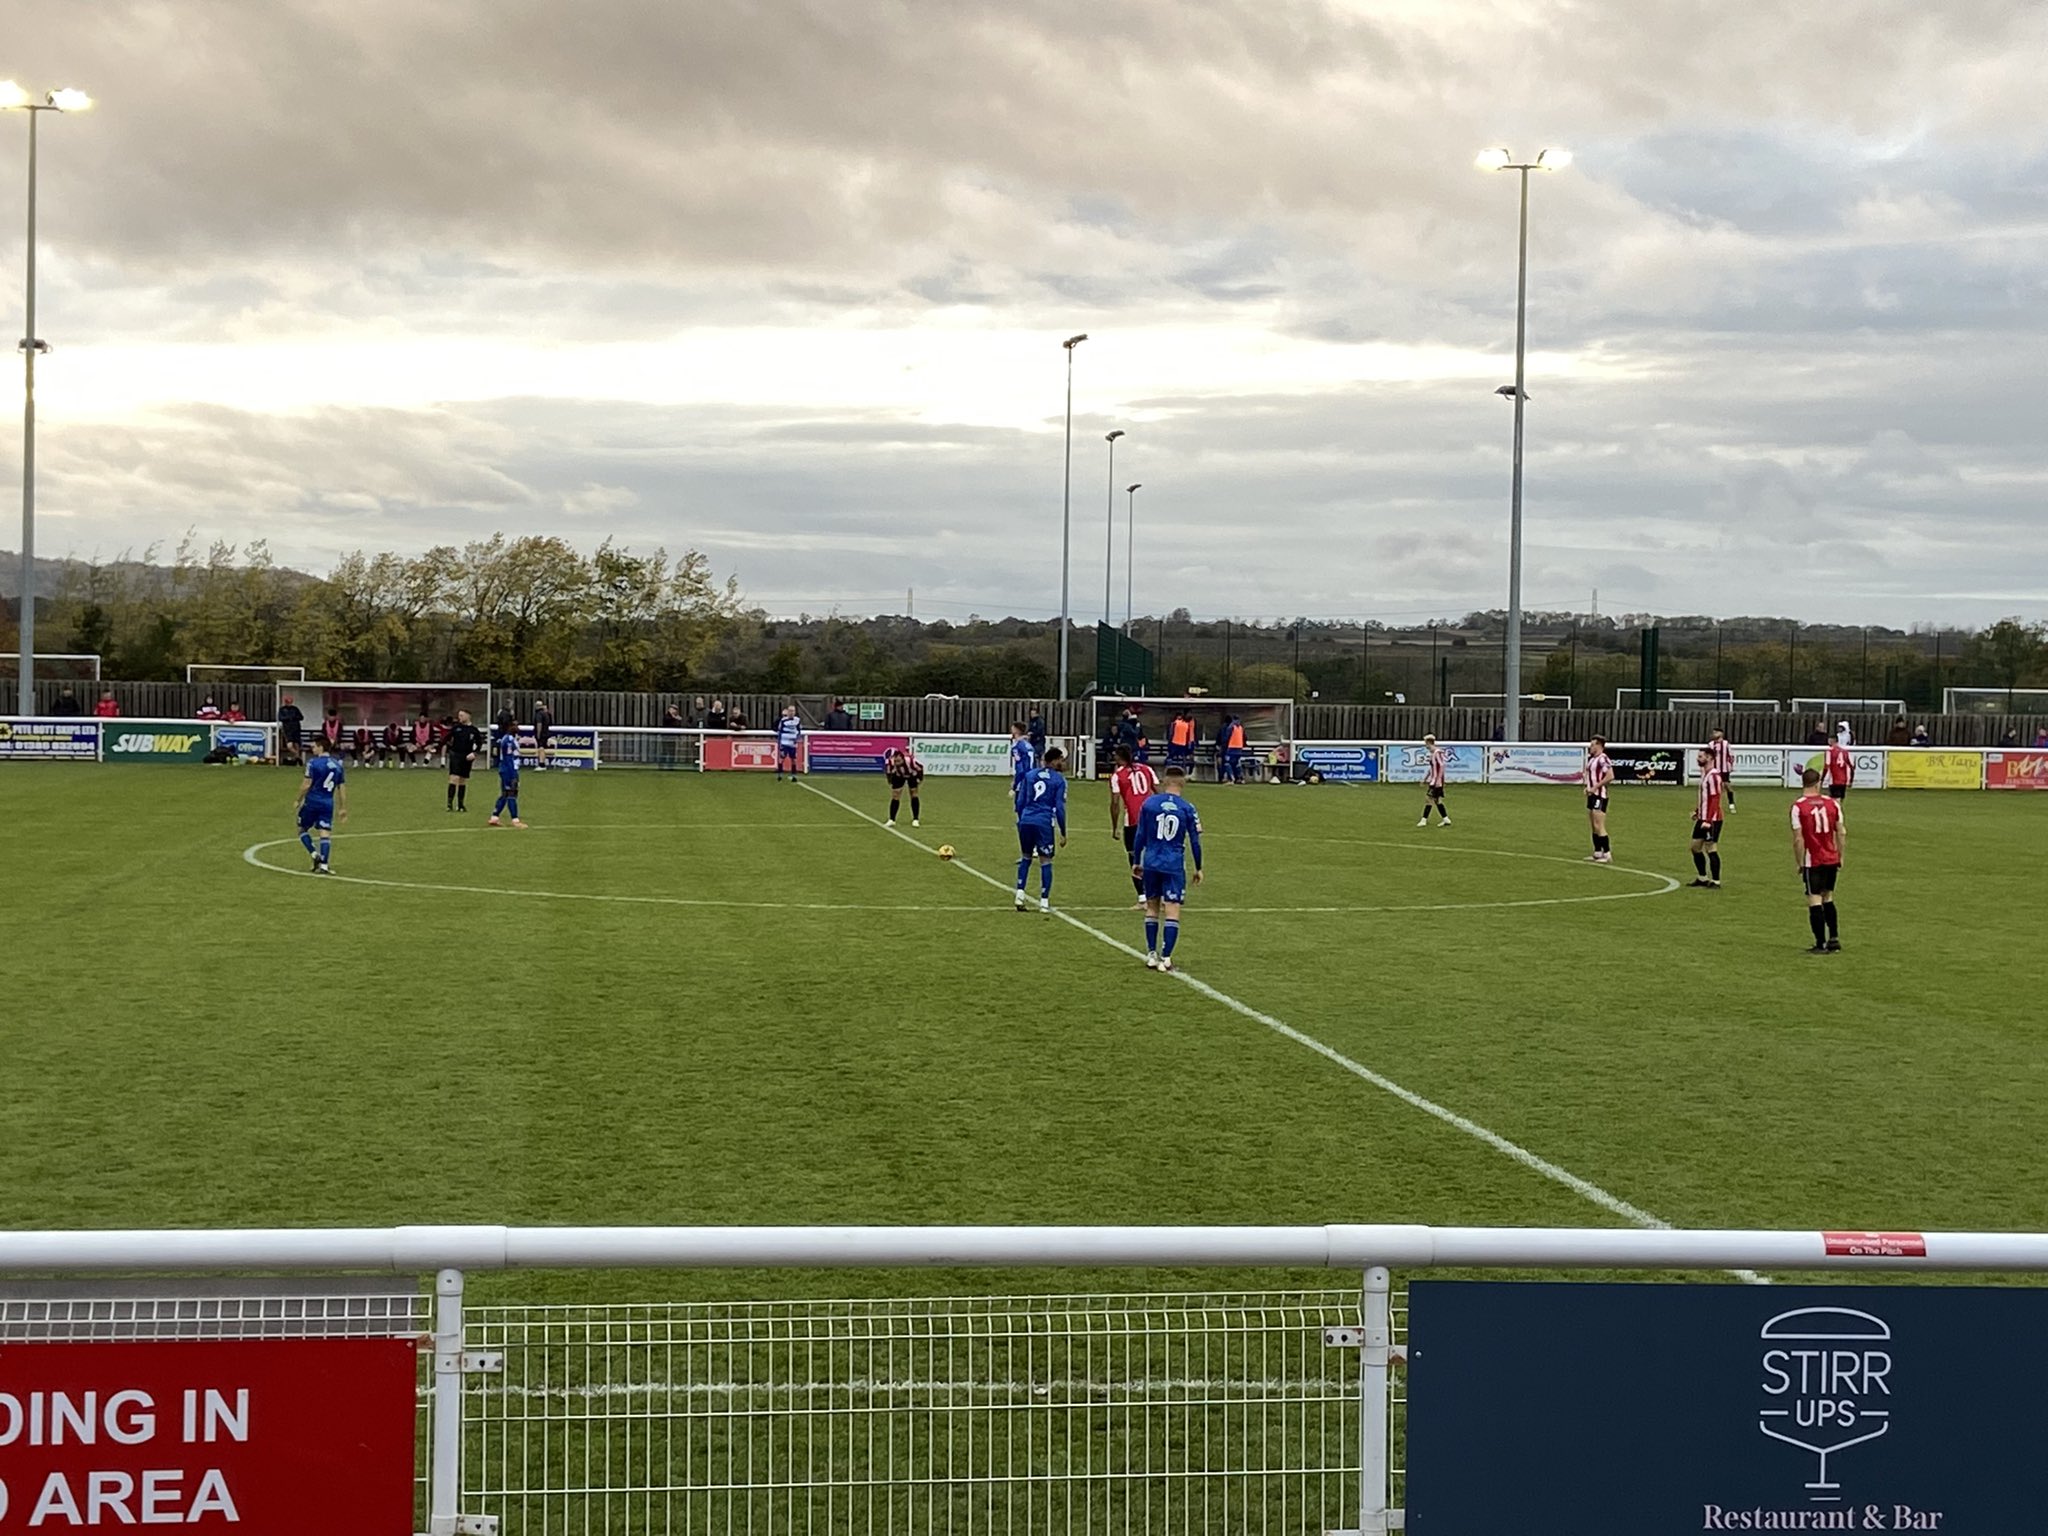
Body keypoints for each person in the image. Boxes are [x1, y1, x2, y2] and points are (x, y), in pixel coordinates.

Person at [1133, 764, 1204, 973]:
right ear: (1183, 783)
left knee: (1152, 907)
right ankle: (1166, 958)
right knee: (1172, 910)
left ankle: (1151, 955)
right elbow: (1195, 840)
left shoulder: (1149, 803)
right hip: (1173, 864)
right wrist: (1198, 867)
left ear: (1164, 781)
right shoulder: (1187, 808)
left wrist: (1137, 861)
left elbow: (1140, 835)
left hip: (1152, 861)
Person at [1790, 766, 1844, 954]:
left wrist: (1799, 862)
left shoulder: (1798, 806)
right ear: (1818, 782)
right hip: (1831, 857)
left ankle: (1820, 943)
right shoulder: (1832, 804)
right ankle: (1834, 939)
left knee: (1814, 899)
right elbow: (1841, 831)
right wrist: (1840, 856)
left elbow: (1798, 838)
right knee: (1828, 896)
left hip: (1813, 859)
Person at [1013, 745, 1069, 915]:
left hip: (1026, 820)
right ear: (1054, 760)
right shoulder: (1058, 780)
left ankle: (1019, 894)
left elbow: (1020, 802)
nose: (1062, 763)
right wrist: (1063, 831)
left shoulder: (1030, 775)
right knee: (1045, 860)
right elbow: (1059, 807)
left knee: (1026, 857)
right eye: (1061, 760)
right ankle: (1044, 902)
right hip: (1043, 822)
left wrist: (1022, 820)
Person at [1109, 744, 1160, 908]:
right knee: (1154, 855)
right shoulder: (1147, 769)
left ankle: (1143, 899)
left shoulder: (1118, 775)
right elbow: (1158, 791)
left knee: (1134, 857)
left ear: (1119, 757)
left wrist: (1114, 827)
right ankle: (1160, 894)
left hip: (1133, 820)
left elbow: (1115, 803)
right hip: (1152, 818)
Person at [294, 739, 348, 875]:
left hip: (312, 801)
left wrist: (298, 799)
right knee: (325, 832)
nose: (313, 749)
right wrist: (342, 807)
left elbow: (307, 784)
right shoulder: (337, 765)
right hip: (328, 802)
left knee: (302, 829)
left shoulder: (313, 763)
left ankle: (314, 854)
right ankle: (324, 865)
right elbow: (341, 788)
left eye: (314, 746)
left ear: (321, 747)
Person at [1688, 748, 1725, 889]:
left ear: (1709, 758)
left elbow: (1715, 799)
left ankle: (1716, 881)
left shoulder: (1714, 776)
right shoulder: (1705, 774)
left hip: (1713, 820)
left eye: (1701, 756)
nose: (1698, 759)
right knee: (1695, 848)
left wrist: (1708, 821)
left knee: (1711, 848)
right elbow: (1706, 799)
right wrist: (1698, 811)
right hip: (1703, 817)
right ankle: (1702, 877)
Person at [1584, 735, 1615, 864]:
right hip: (1592, 795)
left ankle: (1607, 854)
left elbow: (1610, 776)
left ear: (1599, 745)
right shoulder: (1592, 760)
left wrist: (1595, 787)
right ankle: (1597, 852)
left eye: (1592, 745)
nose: (1590, 747)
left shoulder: (1603, 759)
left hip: (1599, 795)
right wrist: (1587, 787)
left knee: (1599, 824)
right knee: (1593, 825)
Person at [489, 722, 527, 827]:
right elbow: (508, 758)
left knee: (505, 794)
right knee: (512, 794)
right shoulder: (509, 740)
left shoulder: (509, 739)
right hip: (509, 770)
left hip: (506, 769)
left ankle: (494, 817)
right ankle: (515, 820)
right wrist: (512, 774)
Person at [445, 710, 482, 812]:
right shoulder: (456, 728)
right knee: (454, 778)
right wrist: (449, 749)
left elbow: (479, 743)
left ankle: (460, 805)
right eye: (459, 715)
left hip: (467, 757)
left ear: (468, 716)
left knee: (462, 780)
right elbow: (446, 738)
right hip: (456, 756)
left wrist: (474, 753)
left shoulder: (473, 730)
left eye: (461, 715)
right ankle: (449, 804)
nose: (459, 717)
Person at [883, 744, 924, 827]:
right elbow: (888, 772)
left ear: (902, 759)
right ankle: (892, 819)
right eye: (896, 761)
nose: (897, 763)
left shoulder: (911, 761)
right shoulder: (890, 762)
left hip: (912, 775)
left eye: (899, 761)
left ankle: (915, 819)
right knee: (895, 795)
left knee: (913, 794)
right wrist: (890, 781)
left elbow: (920, 768)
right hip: (899, 776)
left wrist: (920, 779)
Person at [1416, 733, 1450, 827]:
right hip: (1434, 780)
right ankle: (1446, 819)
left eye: (1425, 743)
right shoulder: (1433, 754)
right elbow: (1432, 768)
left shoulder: (1437, 753)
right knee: (1437, 800)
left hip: (1436, 782)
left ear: (1429, 743)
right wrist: (1425, 778)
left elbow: (1442, 766)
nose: (1425, 745)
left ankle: (1424, 820)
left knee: (1428, 799)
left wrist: (1439, 780)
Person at [1707, 726, 1736, 812]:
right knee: (1714, 787)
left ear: (1721, 734)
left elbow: (1731, 756)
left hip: (1724, 769)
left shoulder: (1726, 744)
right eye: (1713, 732)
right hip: (1714, 769)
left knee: (1727, 786)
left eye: (1716, 732)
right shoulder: (1711, 744)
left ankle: (1731, 803)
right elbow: (1708, 756)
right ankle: (1714, 805)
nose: (1714, 734)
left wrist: (1730, 766)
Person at [774, 704, 804, 781]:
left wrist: (797, 739)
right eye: (790, 711)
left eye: (793, 711)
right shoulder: (783, 720)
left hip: (792, 743)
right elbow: (779, 730)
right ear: (787, 712)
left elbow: (799, 731)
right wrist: (780, 742)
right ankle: (780, 775)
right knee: (782, 758)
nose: (791, 712)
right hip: (784, 743)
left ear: (795, 712)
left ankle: (794, 775)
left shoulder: (797, 720)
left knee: (793, 759)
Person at [1009, 722, 1036, 796]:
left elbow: (1020, 768)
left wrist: (1015, 785)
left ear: (1016, 730)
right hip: (1032, 777)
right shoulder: (1028, 745)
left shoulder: (1017, 746)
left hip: (1023, 779)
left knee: (1020, 806)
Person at [1824, 734, 1853, 802]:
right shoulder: (1845, 752)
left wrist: (1822, 779)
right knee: (1840, 799)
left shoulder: (1829, 752)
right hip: (1844, 780)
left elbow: (1826, 766)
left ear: (1831, 741)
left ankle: (1836, 812)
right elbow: (1851, 766)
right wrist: (1851, 780)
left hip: (1834, 780)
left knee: (1834, 800)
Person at [1219, 716, 1247, 784]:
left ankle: (1231, 779)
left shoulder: (1231, 727)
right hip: (1239, 748)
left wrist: (1223, 747)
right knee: (1237, 764)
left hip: (1231, 748)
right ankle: (1241, 778)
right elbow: (1245, 737)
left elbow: (1226, 738)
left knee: (1227, 763)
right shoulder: (1241, 728)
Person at [277, 694, 304, 764]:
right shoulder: (282, 709)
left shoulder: (295, 709)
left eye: (290, 702)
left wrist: (294, 718)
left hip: (296, 729)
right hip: (288, 730)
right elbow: (280, 718)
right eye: (287, 702)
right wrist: (288, 718)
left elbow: (301, 717)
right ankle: (298, 757)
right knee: (289, 745)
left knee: (297, 744)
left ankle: (297, 761)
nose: (289, 703)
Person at [532, 698, 555, 770]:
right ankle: (542, 763)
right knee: (543, 748)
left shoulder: (538, 714)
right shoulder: (546, 714)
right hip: (546, 733)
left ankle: (541, 764)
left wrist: (538, 733)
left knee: (541, 748)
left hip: (541, 733)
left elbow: (539, 724)